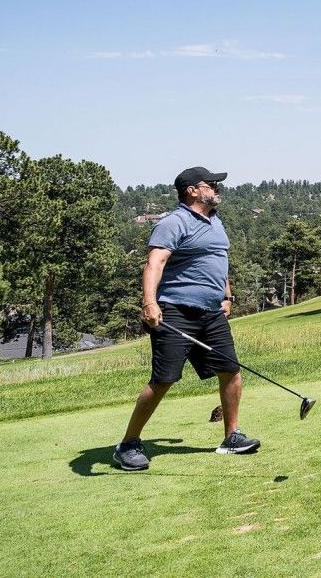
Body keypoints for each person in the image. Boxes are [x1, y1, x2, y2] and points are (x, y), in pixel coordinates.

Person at [111, 166, 260, 471]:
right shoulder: (173, 223)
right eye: (212, 185)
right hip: (176, 311)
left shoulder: (216, 222)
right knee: (164, 378)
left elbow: (220, 260)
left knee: (230, 370)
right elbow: (155, 263)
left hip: (211, 312)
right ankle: (128, 444)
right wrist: (149, 303)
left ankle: (232, 436)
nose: (217, 189)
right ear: (192, 190)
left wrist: (227, 295)